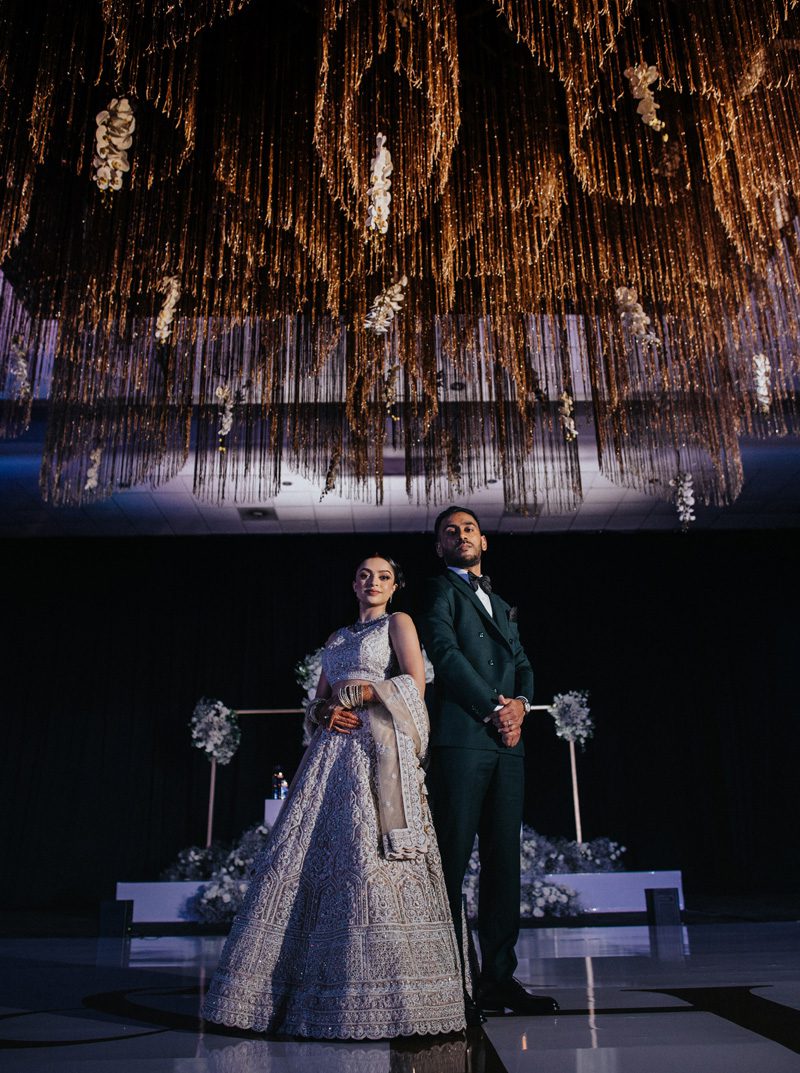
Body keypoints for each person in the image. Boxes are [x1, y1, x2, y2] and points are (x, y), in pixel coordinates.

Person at [202, 555, 466, 1039]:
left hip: (377, 748)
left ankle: (396, 994)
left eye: (383, 576)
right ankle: (282, 991)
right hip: (332, 752)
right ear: (353, 583)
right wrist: (324, 711)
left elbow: (414, 683)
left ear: (394, 586)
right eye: (365, 575)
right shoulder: (337, 638)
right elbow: (319, 699)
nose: (373, 582)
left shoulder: (398, 622)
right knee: (314, 856)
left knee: (371, 856)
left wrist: (361, 697)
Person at [418, 507, 559, 1018]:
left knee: (504, 861)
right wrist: (496, 708)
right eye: (450, 532)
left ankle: (497, 978)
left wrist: (520, 705)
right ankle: (445, 981)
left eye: (468, 529)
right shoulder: (438, 592)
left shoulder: (499, 602)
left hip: (507, 743)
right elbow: (445, 655)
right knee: (450, 860)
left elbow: (521, 661)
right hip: (462, 738)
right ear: (440, 547)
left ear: (485, 540)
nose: (461, 536)